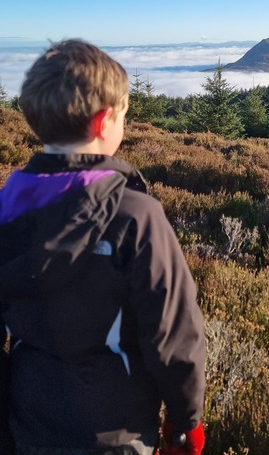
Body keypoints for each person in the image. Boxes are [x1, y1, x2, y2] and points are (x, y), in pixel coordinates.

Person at [0, 40, 206, 455]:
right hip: (117, 434)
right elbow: (173, 334)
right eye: (123, 117)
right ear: (102, 123)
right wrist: (186, 423)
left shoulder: (6, 212)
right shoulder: (136, 216)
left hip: (26, 424)